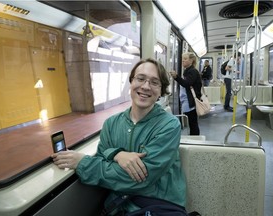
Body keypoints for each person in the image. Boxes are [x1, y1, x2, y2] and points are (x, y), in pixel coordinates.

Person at [52, 58, 186, 215]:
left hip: (157, 205)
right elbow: (102, 154)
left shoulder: (169, 125)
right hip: (118, 206)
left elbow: (139, 179)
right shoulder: (111, 123)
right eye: (140, 79)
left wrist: (83, 163)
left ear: (161, 91)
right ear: (131, 82)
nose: (145, 86)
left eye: (154, 82)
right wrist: (117, 154)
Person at [170, 52, 202, 135]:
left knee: (193, 122)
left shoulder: (193, 71)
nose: (183, 61)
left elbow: (187, 84)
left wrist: (176, 77)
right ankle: (193, 137)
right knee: (192, 122)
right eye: (182, 59)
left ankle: (195, 139)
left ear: (191, 61)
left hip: (190, 101)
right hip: (187, 100)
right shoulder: (188, 71)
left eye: (185, 59)